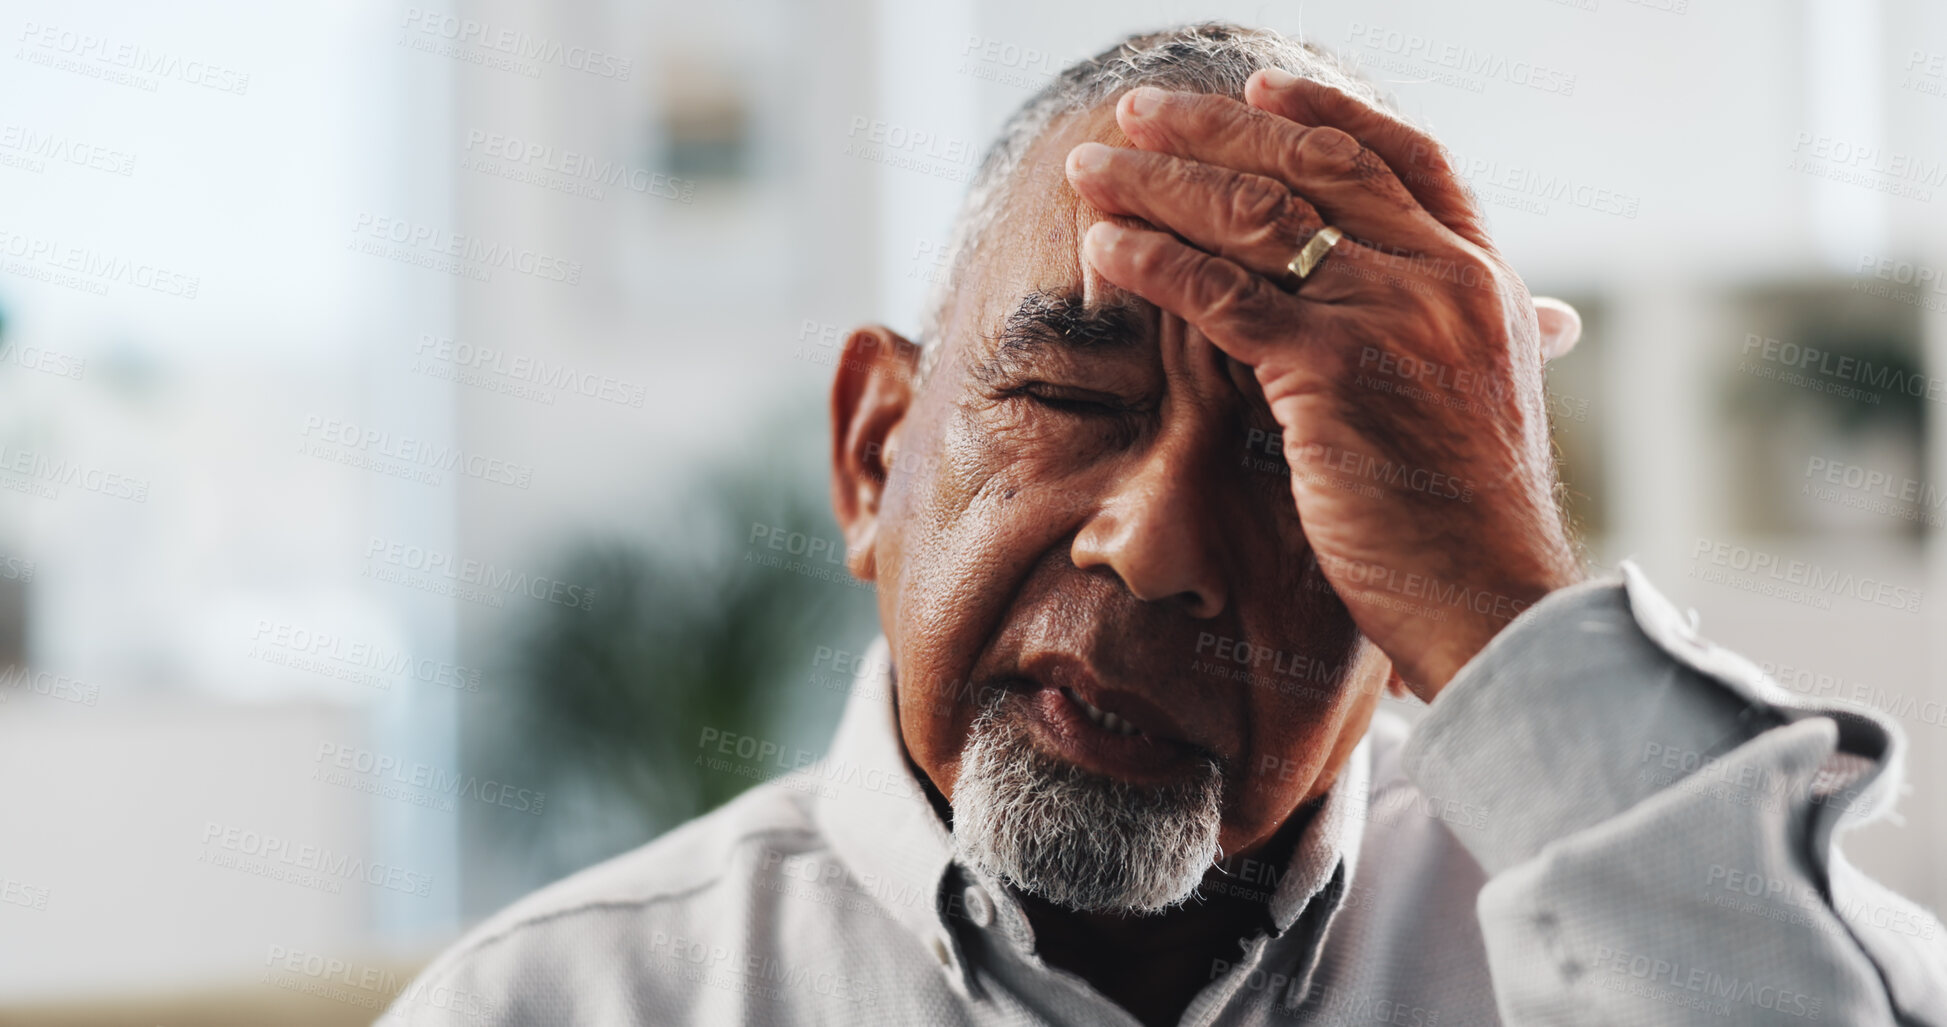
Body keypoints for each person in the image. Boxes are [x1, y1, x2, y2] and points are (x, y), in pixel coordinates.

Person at [380, 23, 1947, 1026]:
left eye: (1290, 461)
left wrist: (1514, 623)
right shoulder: (559, 1006)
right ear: (872, 455)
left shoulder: (1639, 939)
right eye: (1071, 400)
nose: (1158, 546)